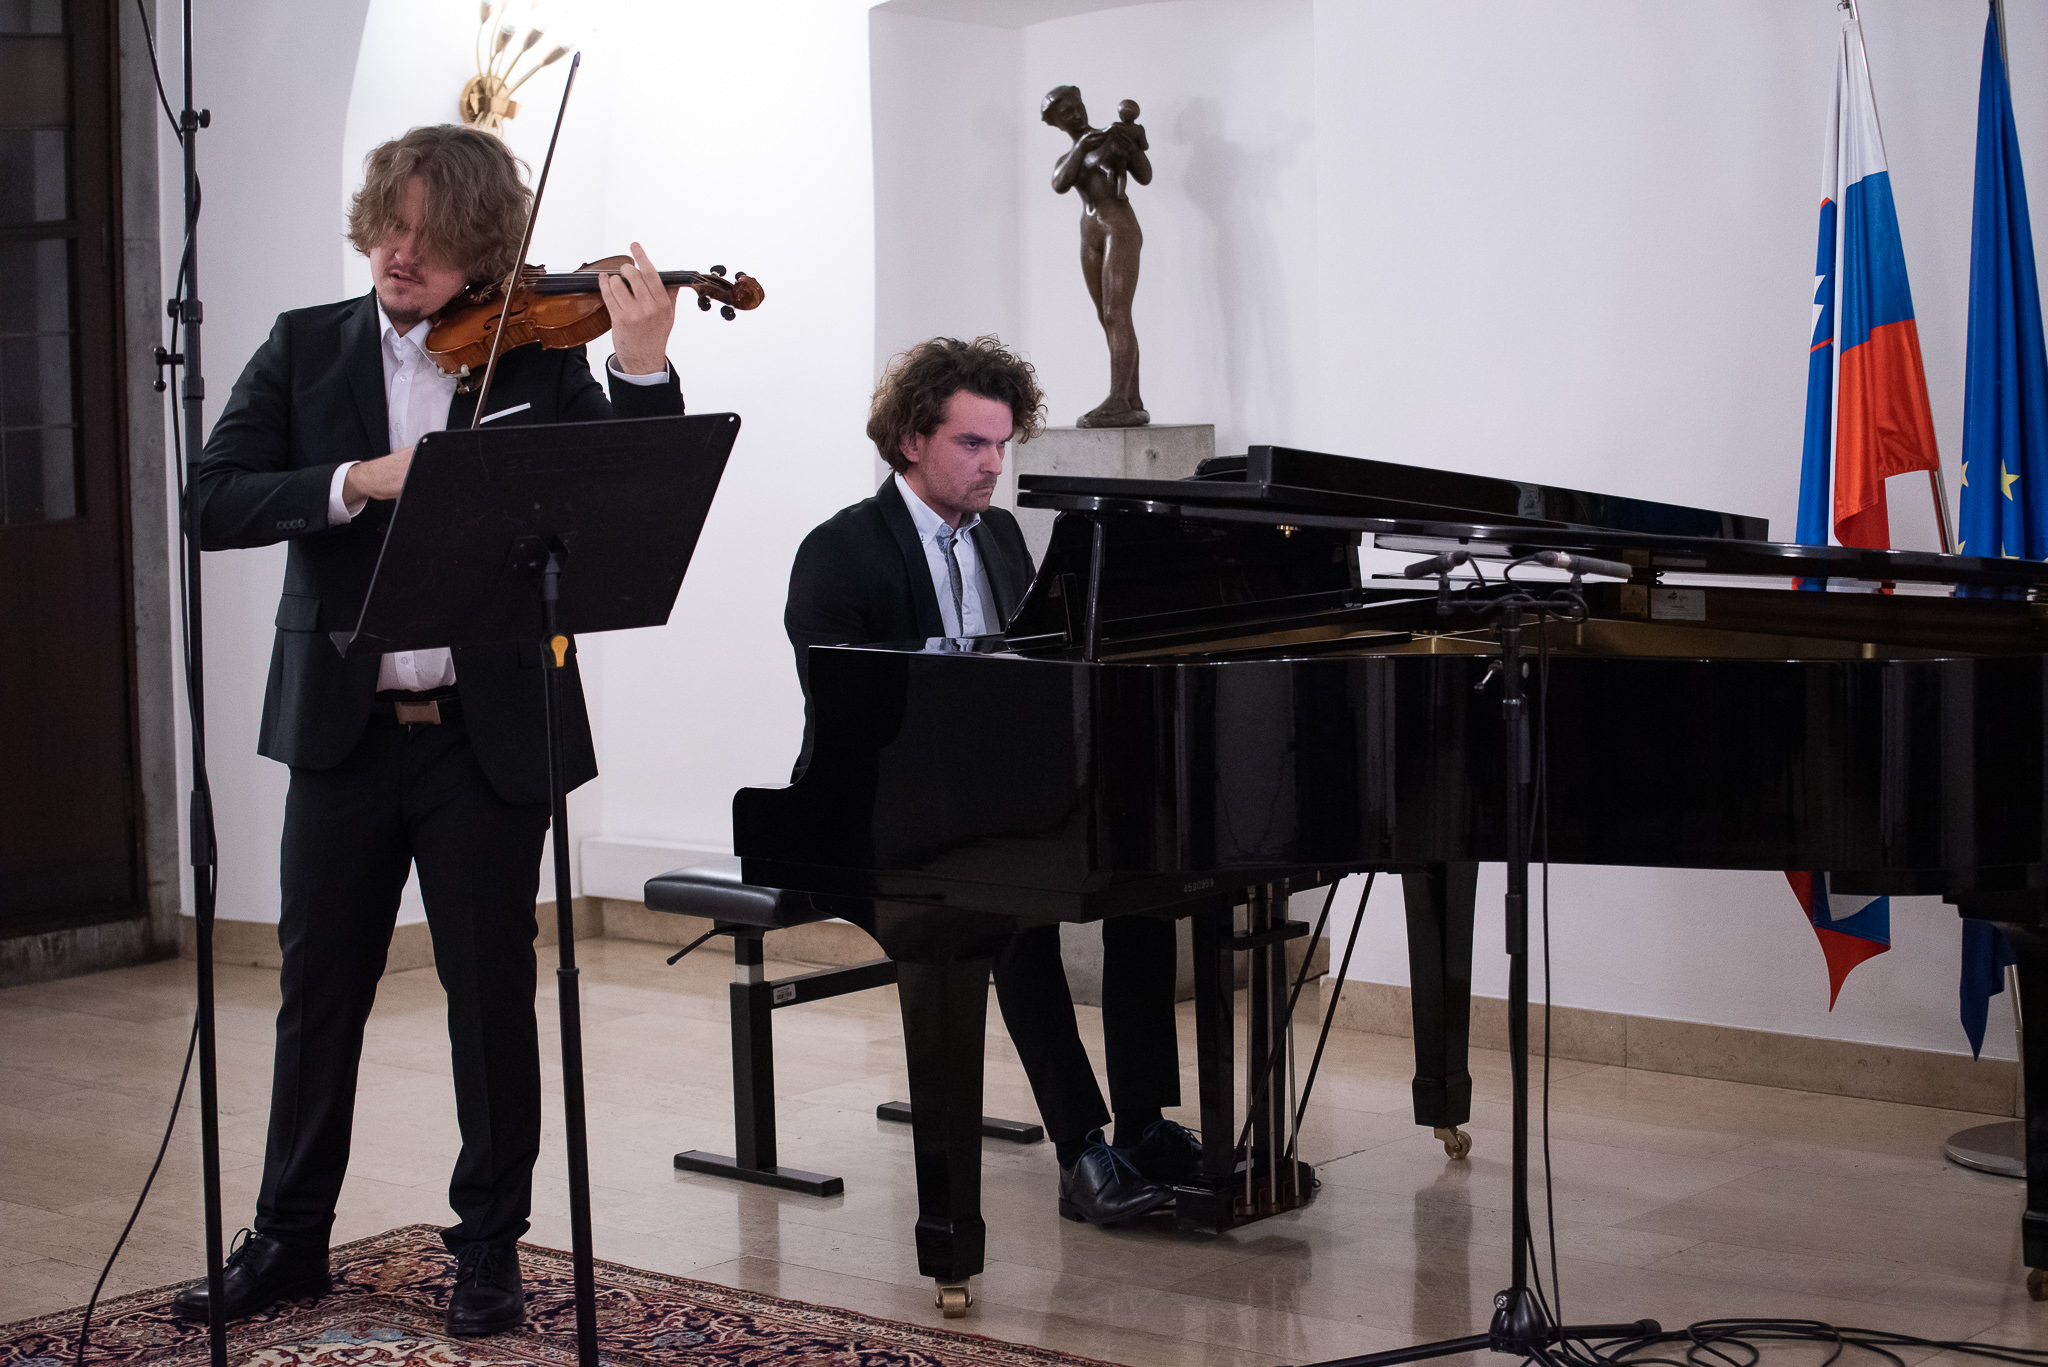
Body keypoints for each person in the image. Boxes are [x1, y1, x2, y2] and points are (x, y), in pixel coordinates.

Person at [173, 124, 686, 1338]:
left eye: (435, 236)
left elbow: (631, 490)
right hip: (343, 730)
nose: (402, 253)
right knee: (318, 991)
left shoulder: (537, 357)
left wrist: (641, 364)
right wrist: (357, 478)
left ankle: (489, 1246)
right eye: (390, 226)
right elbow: (212, 498)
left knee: (489, 996)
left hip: (483, 733)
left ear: (486, 251)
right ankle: (288, 1237)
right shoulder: (304, 346)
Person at [783, 335, 1199, 1227]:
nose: (993, 465)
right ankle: (1081, 1148)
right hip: (882, 805)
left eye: (1002, 444)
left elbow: (1034, 672)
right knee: (1012, 911)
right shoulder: (840, 551)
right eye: (972, 443)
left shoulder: (1002, 536)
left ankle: (1143, 1124)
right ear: (911, 440)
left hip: (995, 795)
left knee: (1147, 882)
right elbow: (849, 716)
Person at [1042, 86, 1150, 429]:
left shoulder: (1111, 137)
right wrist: (1080, 147)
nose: (1076, 115)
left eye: (1078, 107)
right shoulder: (1073, 153)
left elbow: (1145, 175)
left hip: (1119, 227)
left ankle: (1118, 398)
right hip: (1090, 233)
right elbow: (1060, 183)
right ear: (1056, 123)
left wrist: (1131, 146)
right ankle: (1131, 398)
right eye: (1066, 113)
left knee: (1117, 313)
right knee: (1106, 317)